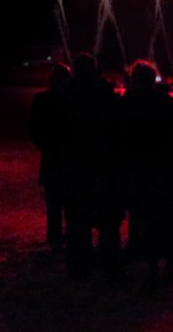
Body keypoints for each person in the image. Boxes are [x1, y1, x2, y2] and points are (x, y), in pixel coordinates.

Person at [118, 60, 173, 287]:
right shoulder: (162, 101)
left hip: (138, 167)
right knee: (167, 215)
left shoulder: (127, 101)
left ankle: (149, 262)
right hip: (163, 166)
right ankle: (169, 262)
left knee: (144, 215)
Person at [62, 53, 121, 281]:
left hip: (75, 166)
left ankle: (78, 265)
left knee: (77, 220)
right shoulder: (104, 93)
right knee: (107, 219)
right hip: (102, 165)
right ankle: (109, 262)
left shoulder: (65, 94)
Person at [27, 62, 72, 250]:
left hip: (52, 158)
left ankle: (55, 238)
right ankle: (72, 237)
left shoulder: (42, 99)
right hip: (71, 159)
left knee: (53, 204)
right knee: (71, 203)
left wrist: (46, 145)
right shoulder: (73, 100)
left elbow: (33, 129)